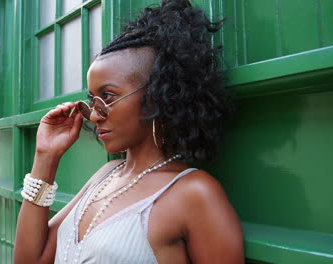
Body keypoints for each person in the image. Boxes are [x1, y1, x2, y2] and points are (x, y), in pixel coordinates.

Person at [14, 0, 244, 263]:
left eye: (108, 96)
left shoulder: (195, 192)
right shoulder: (106, 175)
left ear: (157, 96)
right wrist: (46, 157)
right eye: (92, 99)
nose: (94, 114)